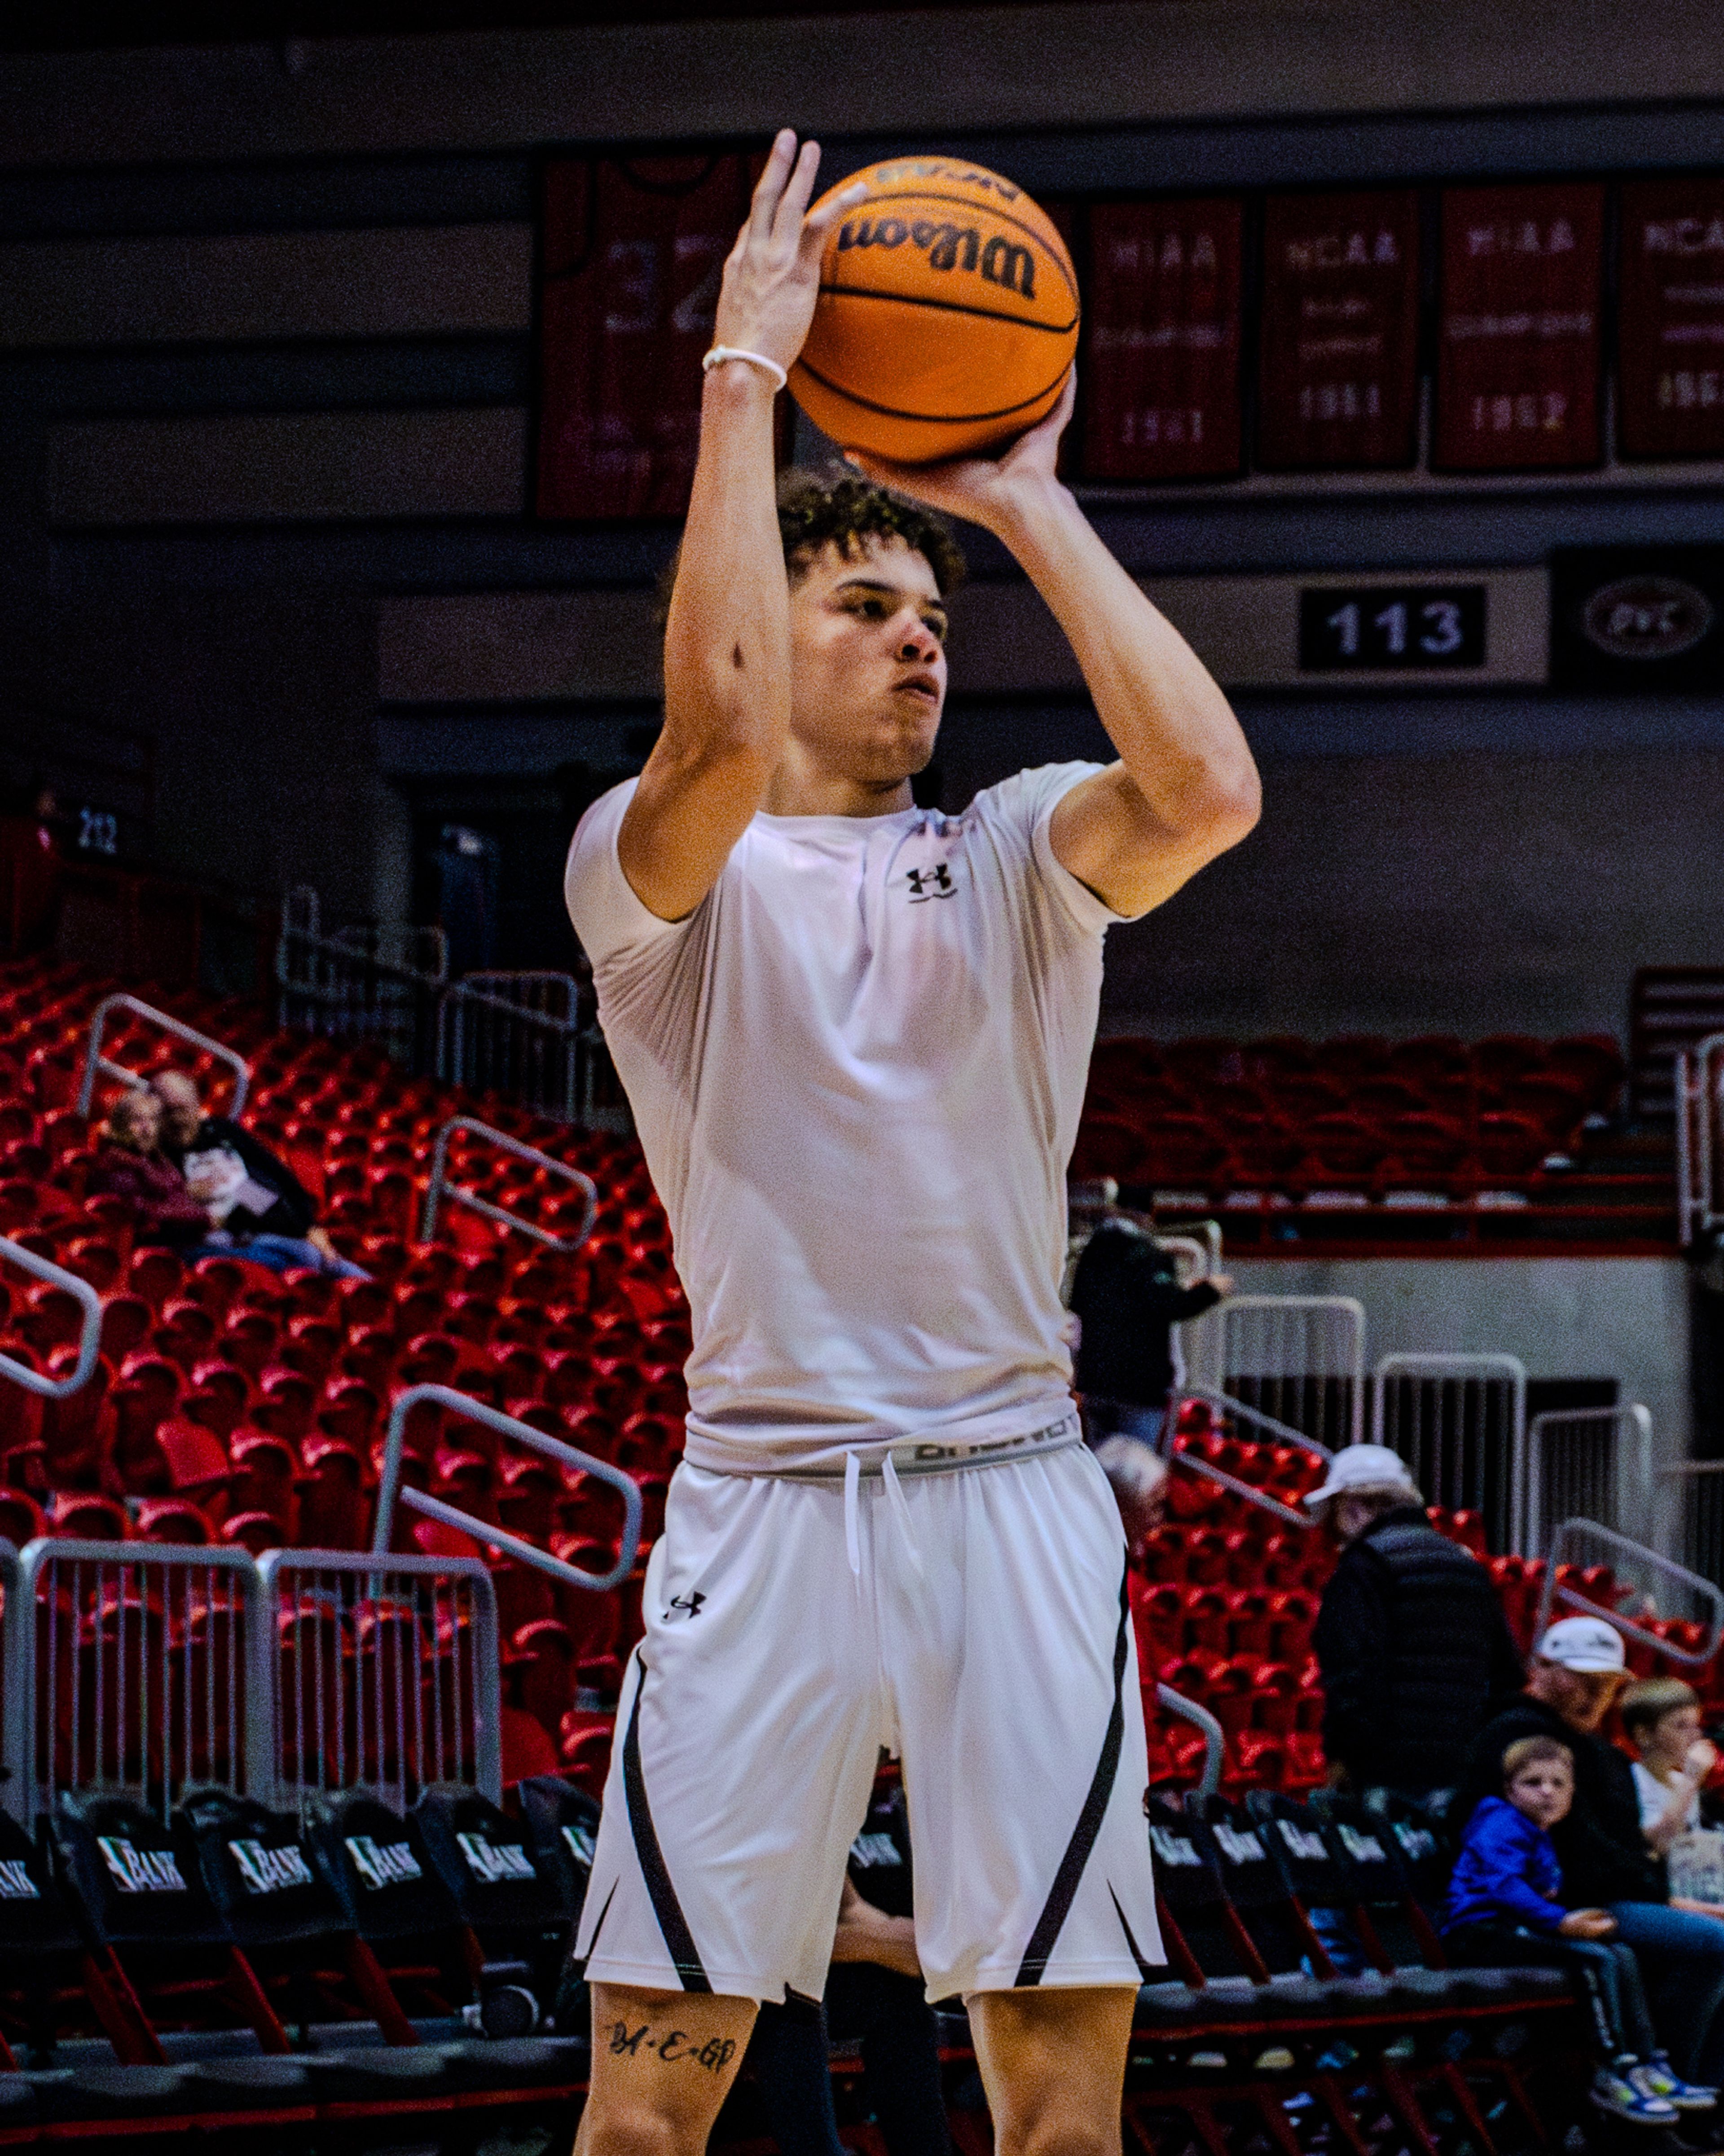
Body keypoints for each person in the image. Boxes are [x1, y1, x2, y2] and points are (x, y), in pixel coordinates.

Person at [561, 131, 1259, 2156]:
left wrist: (1025, 504)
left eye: (928, 613)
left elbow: (1204, 786)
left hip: (1010, 1502)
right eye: (860, 603)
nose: (918, 638)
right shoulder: (651, 870)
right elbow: (702, 733)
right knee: (643, 2104)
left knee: (1056, 2098)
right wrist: (738, 382)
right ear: (772, 634)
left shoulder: (1020, 844)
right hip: (763, 1509)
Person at [1466, 1615, 1724, 2088]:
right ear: (1542, 1668)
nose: (1594, 1694)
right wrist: (1666, 1901)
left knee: (1702, 1938)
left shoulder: (1602, 1754)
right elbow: (1575, 1853)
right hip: (1548, 1906)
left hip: (1600, 1896)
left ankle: (1696, 2090)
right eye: (1582, 1679)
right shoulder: (1519, 1737)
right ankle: (1674, 2080)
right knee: (1712, 1944)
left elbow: (1623, 1849)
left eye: (1606, 1683)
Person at [1443, 1733, 1710, 2123]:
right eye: (1533, 1783)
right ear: (1510, 1790)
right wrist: (1561, 1921)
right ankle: (1609, 2066)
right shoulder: (1501, 1823)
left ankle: (1646, 2063)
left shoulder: (1539, 1831)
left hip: (1517, 1928)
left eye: (1559, 1783)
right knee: (1594, 1960)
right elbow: (1504, 1886)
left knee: (1622, 1954)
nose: (1547, 1792)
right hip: (1482, 1932)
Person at [746, 1781, 952, 2156]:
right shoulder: (765, 1802)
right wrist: (876, 1943)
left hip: (830, 1981)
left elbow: (858, 1914)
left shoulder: (833, 1811)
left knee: (903, 2000)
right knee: (794, 1996)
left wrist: (886, 1940)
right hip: (747, 1989)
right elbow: (763, 1941)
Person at [1306, 1443, 1523, 1795]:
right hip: (1460, 1768)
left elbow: (1351, 1674)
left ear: (1356, 1509)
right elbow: (1507, 1672)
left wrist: (1344, 1755)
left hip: (1387, 1771)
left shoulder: (1363, 1567)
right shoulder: (1467, 1567)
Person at [149, 1070, 369, 1279]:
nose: (178, 1120)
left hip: (261, 1235)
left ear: (197, 1105)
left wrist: (309, 1227)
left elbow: (278, 1177)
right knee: (301, 1258)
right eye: (168, 1112)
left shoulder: (221, 1133)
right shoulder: (153, 1154)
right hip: (210, 1245)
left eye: (183, 1110)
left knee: (339, 1268)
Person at [88, 1088, 214, 1250]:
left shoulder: (154, 1158)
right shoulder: (112, 1168)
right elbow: (139, 1214)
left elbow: (195, 1208)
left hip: (205, 1237)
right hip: (168, 1249)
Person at [1622, 1679, 1720, 1856]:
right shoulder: (1632, 1781)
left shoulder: (1680, 1781)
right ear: (1644, 1735)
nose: (1694, 1736)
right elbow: (1660, 1844)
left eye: (1696, 1725)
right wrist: (1691, 1780)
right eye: (1681, 1726)